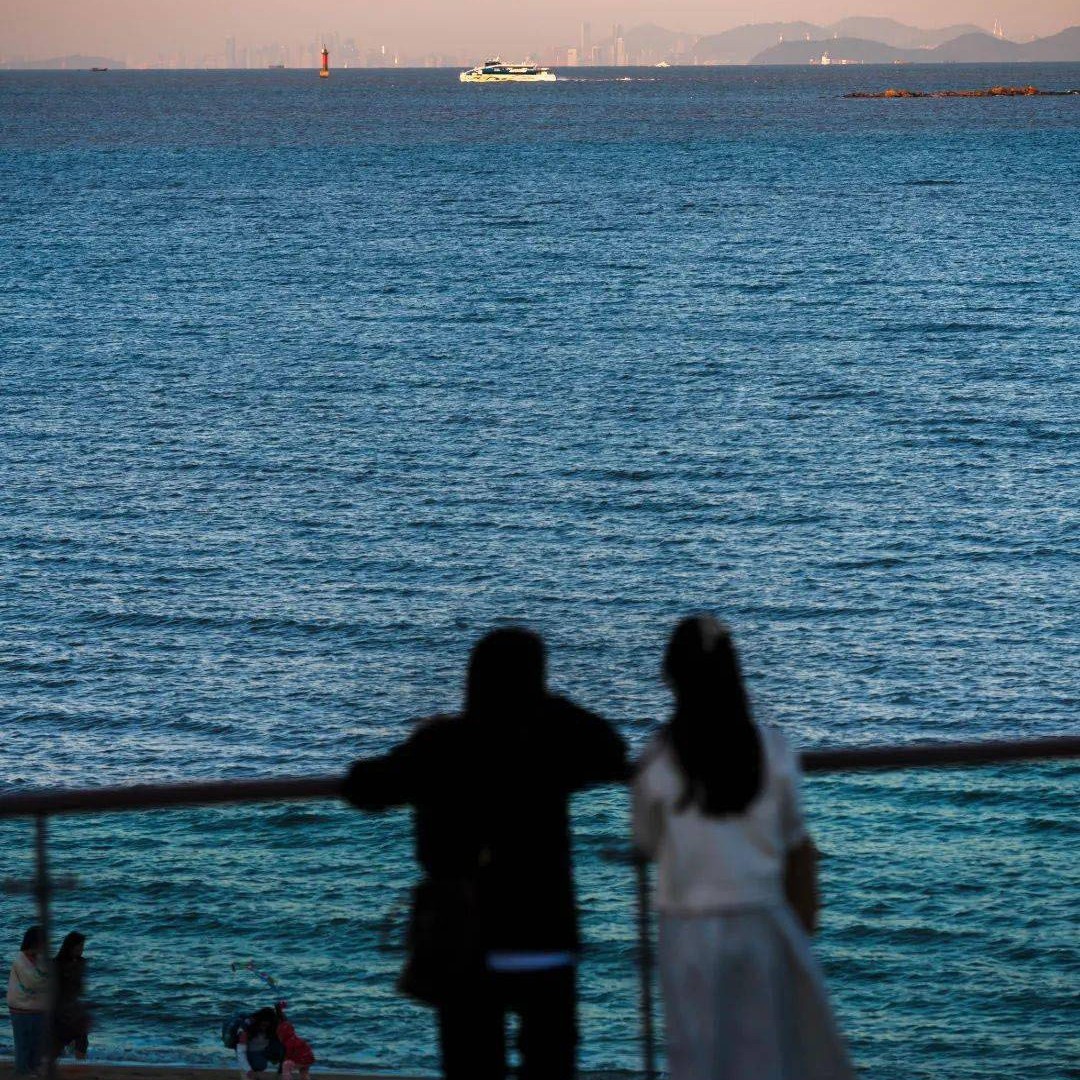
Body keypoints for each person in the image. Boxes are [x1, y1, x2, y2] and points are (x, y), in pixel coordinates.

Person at [342, 626, 628, 1080]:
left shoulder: (442, 744)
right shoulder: (555, 741)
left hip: (466, 942)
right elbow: (613, 750)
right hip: (544, 932)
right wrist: (550, 706)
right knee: (552, 1064)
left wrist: (420, 748)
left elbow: (363, 786)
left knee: (471, 1064)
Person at [632, 615, 855, 1080]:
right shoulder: (773, 750)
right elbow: (795, 840)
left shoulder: (658, 759)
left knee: (698, 1056)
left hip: (689, 928)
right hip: (762, 920)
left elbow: (647, 843)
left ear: (673, 677)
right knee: (768, 1054)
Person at [7, 926, 50, 1077]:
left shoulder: (41, 959)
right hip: (20, 1008)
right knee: (23, 1043)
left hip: (38, 1007)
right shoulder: (19, 960)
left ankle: (33, 1068)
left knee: (36, 1043)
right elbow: (32, 982)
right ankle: (22, 1071)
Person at [52, 931, 91, 1061]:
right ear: (70, 946)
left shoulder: (81, 962)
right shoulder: (57, 963)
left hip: (74, 1007)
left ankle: (80, 1065)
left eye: (82, 946)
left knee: (82, 1040)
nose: (81, 950)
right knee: (58, 1043)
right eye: (79, 946)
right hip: (59, 1008)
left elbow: (80, 987)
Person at [227, 1006, 284, 1079]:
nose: (265, 1028)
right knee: (255, 1066)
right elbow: (241, 1053)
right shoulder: (245, 1029)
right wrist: (248, 1070)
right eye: (263, 1025)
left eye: (268, 1026)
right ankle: (249, 1071)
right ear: (258, 1021)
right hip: (248, 1051)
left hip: (261, 1051)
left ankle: (254, 1070)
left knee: (262, 1063)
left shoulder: (273, 1026)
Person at [274, 1000, 314, 1080]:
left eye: (279, 1035)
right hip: (309, 1057)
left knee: (285, 1065)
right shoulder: (294, 1037)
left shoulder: (287, 1043)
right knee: (304, 1072)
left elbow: (287, 1056)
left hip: (302, 1059)